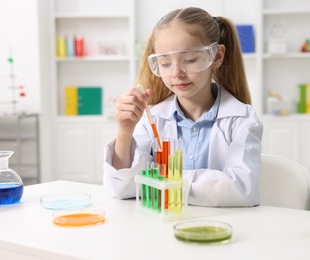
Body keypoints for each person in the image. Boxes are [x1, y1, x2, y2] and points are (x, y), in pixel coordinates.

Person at [103, 7, 263, 207]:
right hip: (163, 228)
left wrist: (162, 181)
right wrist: (125, 132)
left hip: (219, 229)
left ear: (217, 56)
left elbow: (242, 189)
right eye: (165, 63)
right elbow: (123, 188)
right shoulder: (152, 118)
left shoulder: (242, 119)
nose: (177, 73)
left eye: (190, 60)